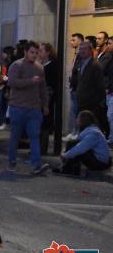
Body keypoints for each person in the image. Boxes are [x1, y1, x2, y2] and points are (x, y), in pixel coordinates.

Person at [7, 41, 50, 174]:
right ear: (25, 52)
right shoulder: (17, 65)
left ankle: (36, 164)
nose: (34, 55)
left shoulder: (39, 67)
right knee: (15, 136)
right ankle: (12, 161)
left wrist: (45, 105)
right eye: (32, 52)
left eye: (36, 53)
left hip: (34, 108)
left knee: (34, 136)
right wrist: (30, 81)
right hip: (18, 106)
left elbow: (43, 88)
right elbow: (12, 82)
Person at [54, 110, 112, 176]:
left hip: (101, 163)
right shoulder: (89, 131)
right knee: (72, 143)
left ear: (83, 121)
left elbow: (80, 148)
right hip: (99, 159)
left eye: (78, 118)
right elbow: (76, 141)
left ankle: (67, 169)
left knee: (77, 149)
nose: (76, 120)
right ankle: (68, 168)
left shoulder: (93, 133)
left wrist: (65, 155)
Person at [75, 41, 107, 131]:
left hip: (91, 104)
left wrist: (99, 102)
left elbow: (100, 86)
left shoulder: (95, 65)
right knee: (82, 128)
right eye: (80, 49)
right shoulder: (81, 64)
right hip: (82, 102)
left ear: (90, 50)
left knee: (90, 129)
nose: (82, 51)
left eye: (84, 49)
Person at [64, 33, 84, 141]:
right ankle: (73, 131)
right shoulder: (76, 54)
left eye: (74, 40)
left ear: (80, 41)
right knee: (73, 110)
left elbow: (78, 72)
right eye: (71, 40)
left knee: (76, 111)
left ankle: (77, 132)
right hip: (73, 87)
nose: (71, 42)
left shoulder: (81, 55)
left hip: (77, 88)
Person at [39, 43, 58, 155]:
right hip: (38, 98)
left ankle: (42, 148)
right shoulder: (41, 64)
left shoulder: (52, 66)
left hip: (47, 98)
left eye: (41, 50)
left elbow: (51, 85)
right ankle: (38, 147)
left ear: (48, 52)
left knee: (44, 124)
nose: (39, 53)